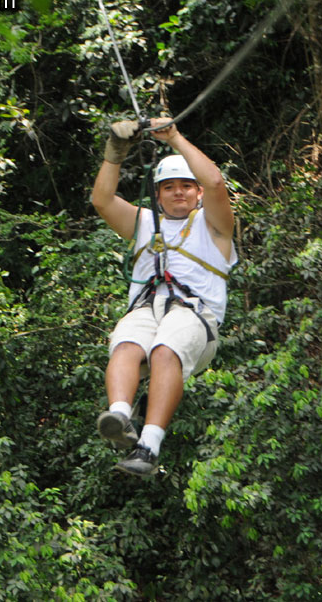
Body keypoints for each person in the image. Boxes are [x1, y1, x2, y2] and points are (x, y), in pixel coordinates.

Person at [91, 117, 237, 476]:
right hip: (148, 306)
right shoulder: (144, 222)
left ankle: (149, 446)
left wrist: (174, 137)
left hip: (194, 314)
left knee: (164, 348)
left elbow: (216, 182)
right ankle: (120, 416)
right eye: (169, 187)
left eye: (186, 186)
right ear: (157, 195)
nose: (178, 193)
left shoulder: (214, 226)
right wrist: (115, 152)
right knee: (126, 342)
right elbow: (102, 200)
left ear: (197, 192)